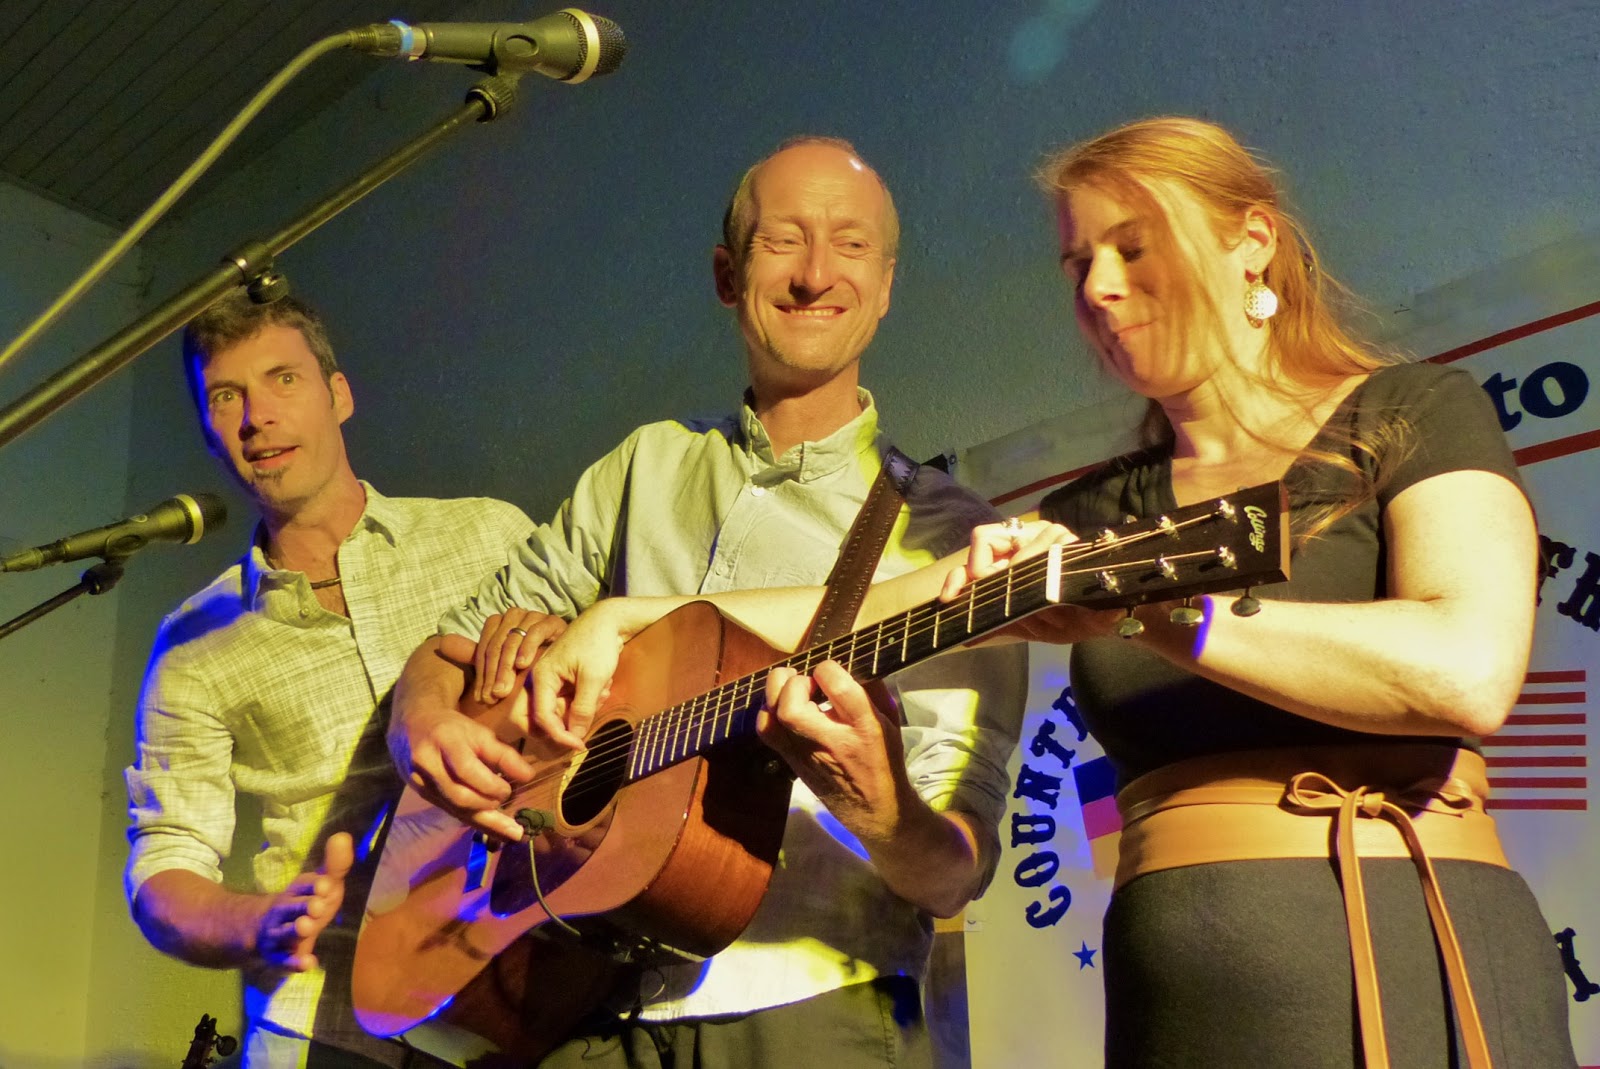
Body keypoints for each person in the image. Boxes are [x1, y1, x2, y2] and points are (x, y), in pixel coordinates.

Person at [937, 117, 1575, 1067]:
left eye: (1133, 247)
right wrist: (691, 628)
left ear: (1254, 243)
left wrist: (1151, 610)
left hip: (1421, 963)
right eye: (1078, 265)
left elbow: (1467, 670)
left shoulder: (1412, 412)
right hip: (1179, 1006)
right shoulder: (1089, 516)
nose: (1099, 287)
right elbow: (877, 611)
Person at [387, 136, 1027, 1068]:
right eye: (783, 241)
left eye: (851, 245)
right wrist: (422, 721)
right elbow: (451, 646)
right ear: (728, 275)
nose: (814, 273)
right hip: (580, 996)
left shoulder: (954, 541)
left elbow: (954, 872)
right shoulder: (643, 465)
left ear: (886, 285)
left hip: (808, 1009)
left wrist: (884, 812)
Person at [124, 293, 543, 1068]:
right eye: (226, 396)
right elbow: (163, 866)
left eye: (283, 379)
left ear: (339, 395)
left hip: (515, 994)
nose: (257, 416)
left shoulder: (491, 534)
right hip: (322, 1022)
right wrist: (261, 922)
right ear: (210, 432)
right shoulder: (194, 642)